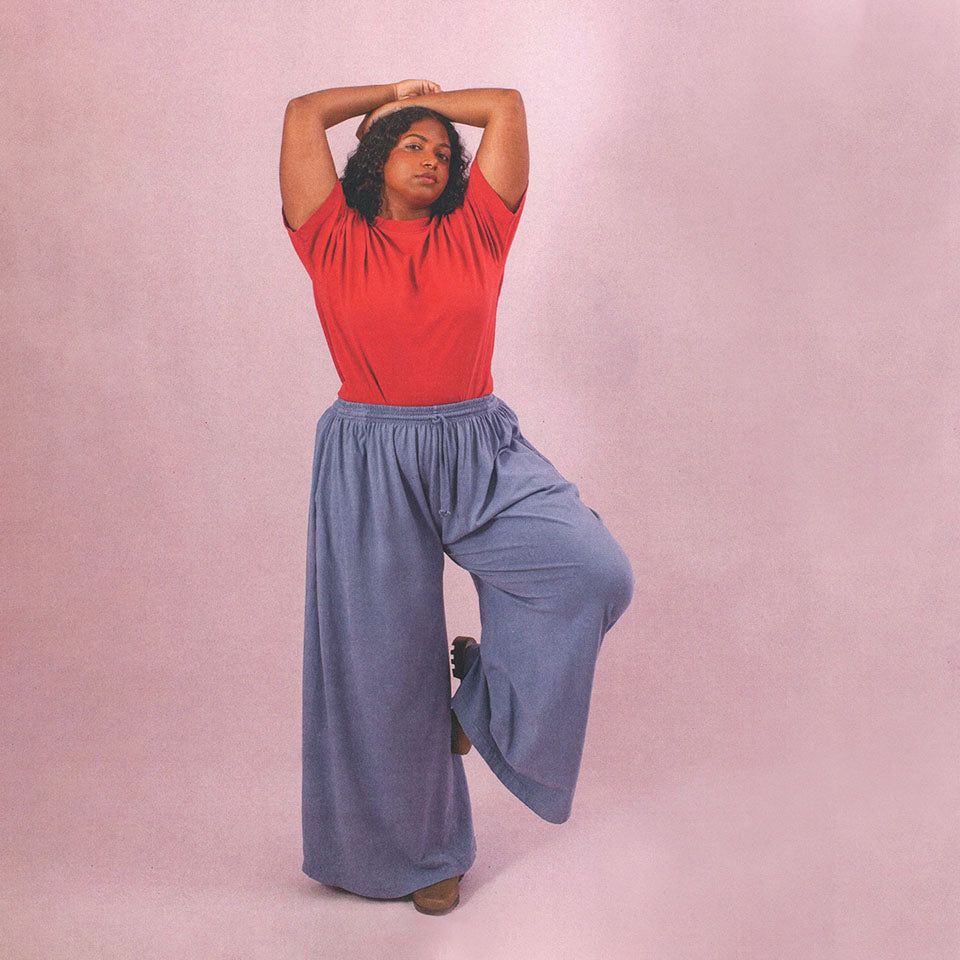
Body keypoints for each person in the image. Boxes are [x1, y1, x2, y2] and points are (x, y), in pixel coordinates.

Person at [279, 80, 635, 915]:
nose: (433, 157)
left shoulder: (479, 228)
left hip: (478, 446)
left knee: (592, 571)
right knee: (383, 664)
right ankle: (420, 853)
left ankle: (479, 697)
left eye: (444, 150)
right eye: (411, 144)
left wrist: (425, 105)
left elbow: (506, 105)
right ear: (374, 157)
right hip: (369, 456)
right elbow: (302, 117)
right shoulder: (331, 235)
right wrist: (393, 96)